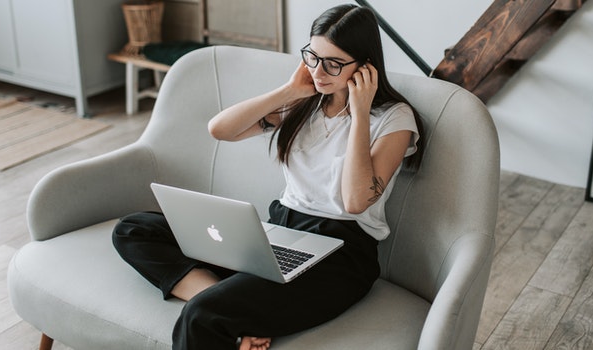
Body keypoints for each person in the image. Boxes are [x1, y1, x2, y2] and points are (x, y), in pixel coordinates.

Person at [112, 4, 424, 350]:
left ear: (365, 67)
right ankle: (223, 300)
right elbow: (220, 129)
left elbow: (354, 201)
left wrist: (360, 111)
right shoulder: (306, 103)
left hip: (341, 256)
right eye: (312, 56)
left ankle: (223, 307)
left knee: (201, 316)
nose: (319, 72)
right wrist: (289, 91)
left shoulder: (394, 119)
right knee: (133, 228)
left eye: (333, 64)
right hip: (279, 233)